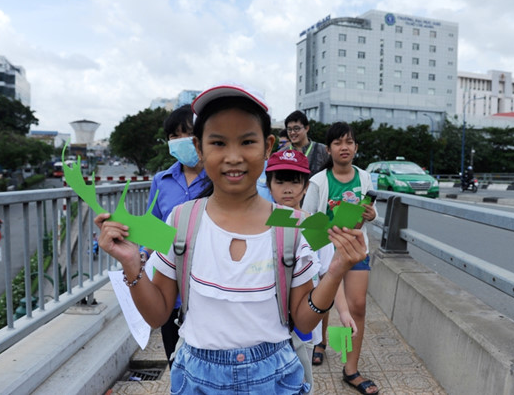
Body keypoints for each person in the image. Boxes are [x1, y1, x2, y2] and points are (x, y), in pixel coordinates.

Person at [95, 83, 367, 394]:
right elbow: (158, 314)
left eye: (247, 141)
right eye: (219, 143)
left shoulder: (292, 225)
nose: (234, 157)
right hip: (196, 379)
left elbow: (304, 322)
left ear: (267, 147)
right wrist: (132, 264)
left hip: (275, 379)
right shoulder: (182, 220)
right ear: (199, 148)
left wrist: (335, 271)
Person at [265, 149, 357, 392]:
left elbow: (328, 274)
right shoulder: (261, 223)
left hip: (303, 324)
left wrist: (344, 313)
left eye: (294, 182)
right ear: (269, 184)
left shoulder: (316, 227)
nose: (287, 189)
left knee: (300, 381)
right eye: (280, 181)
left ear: (305, 187)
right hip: (267, 324)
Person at [302, 121, 379, 395]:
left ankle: (350, 368)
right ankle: (322, 343)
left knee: (356, 306)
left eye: (348, 142)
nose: (343, 147)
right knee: (323, 306)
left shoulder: (365, 177)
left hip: (356, 249)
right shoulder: (318, 181)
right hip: (327, 251)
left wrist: (371, 215)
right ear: (328, 149)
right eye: (337, 143)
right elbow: (307, 218)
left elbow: (371, 213)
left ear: (356, 147)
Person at [140, 104, 208, 364]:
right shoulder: (161, 180)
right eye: (173, 136)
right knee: (175, 358)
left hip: (207, 284)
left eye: (187, 134)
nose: (180, 142)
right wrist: (143, 254)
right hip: (169, 287)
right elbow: (153, 229)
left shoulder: (219, 179)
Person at [282, 110, 329, 176]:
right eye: (289, 129)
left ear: (306, 128)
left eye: (296, 128)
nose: (292, 132)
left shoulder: (323, 150)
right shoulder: (282, 153)